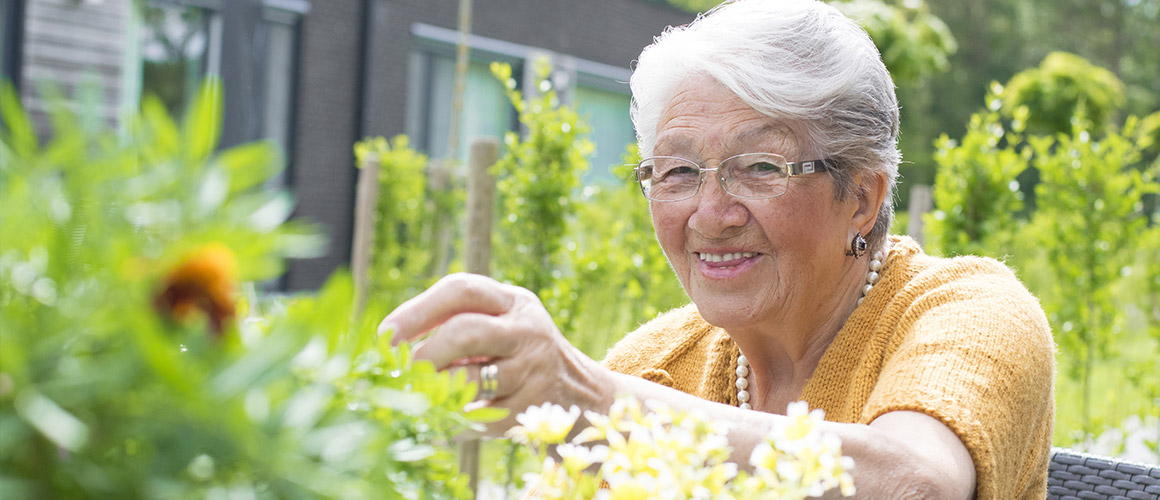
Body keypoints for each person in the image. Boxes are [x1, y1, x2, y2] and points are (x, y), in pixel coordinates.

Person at [380, 0, 1055, 498]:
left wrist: (581, 395)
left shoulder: (972, 315)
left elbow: (918, 485)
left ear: (864, 197)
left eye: (760, 166)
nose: (710, 214)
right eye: (675, 172)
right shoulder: (654, 371)